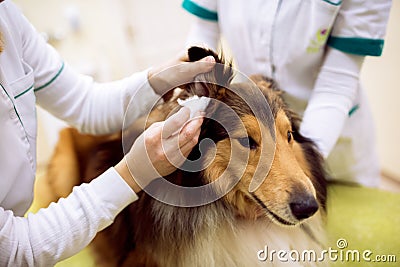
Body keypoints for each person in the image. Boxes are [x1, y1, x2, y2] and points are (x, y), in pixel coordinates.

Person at [0, 0, 215, 265]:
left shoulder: (7, 16)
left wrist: (156, 82)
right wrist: (132, 174)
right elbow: (15, 249)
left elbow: (84, 103)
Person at [182, 0, 392, 187]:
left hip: (333, 138)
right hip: (250, 136)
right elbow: (202, 34)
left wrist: (293, 173)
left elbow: (337, 83)